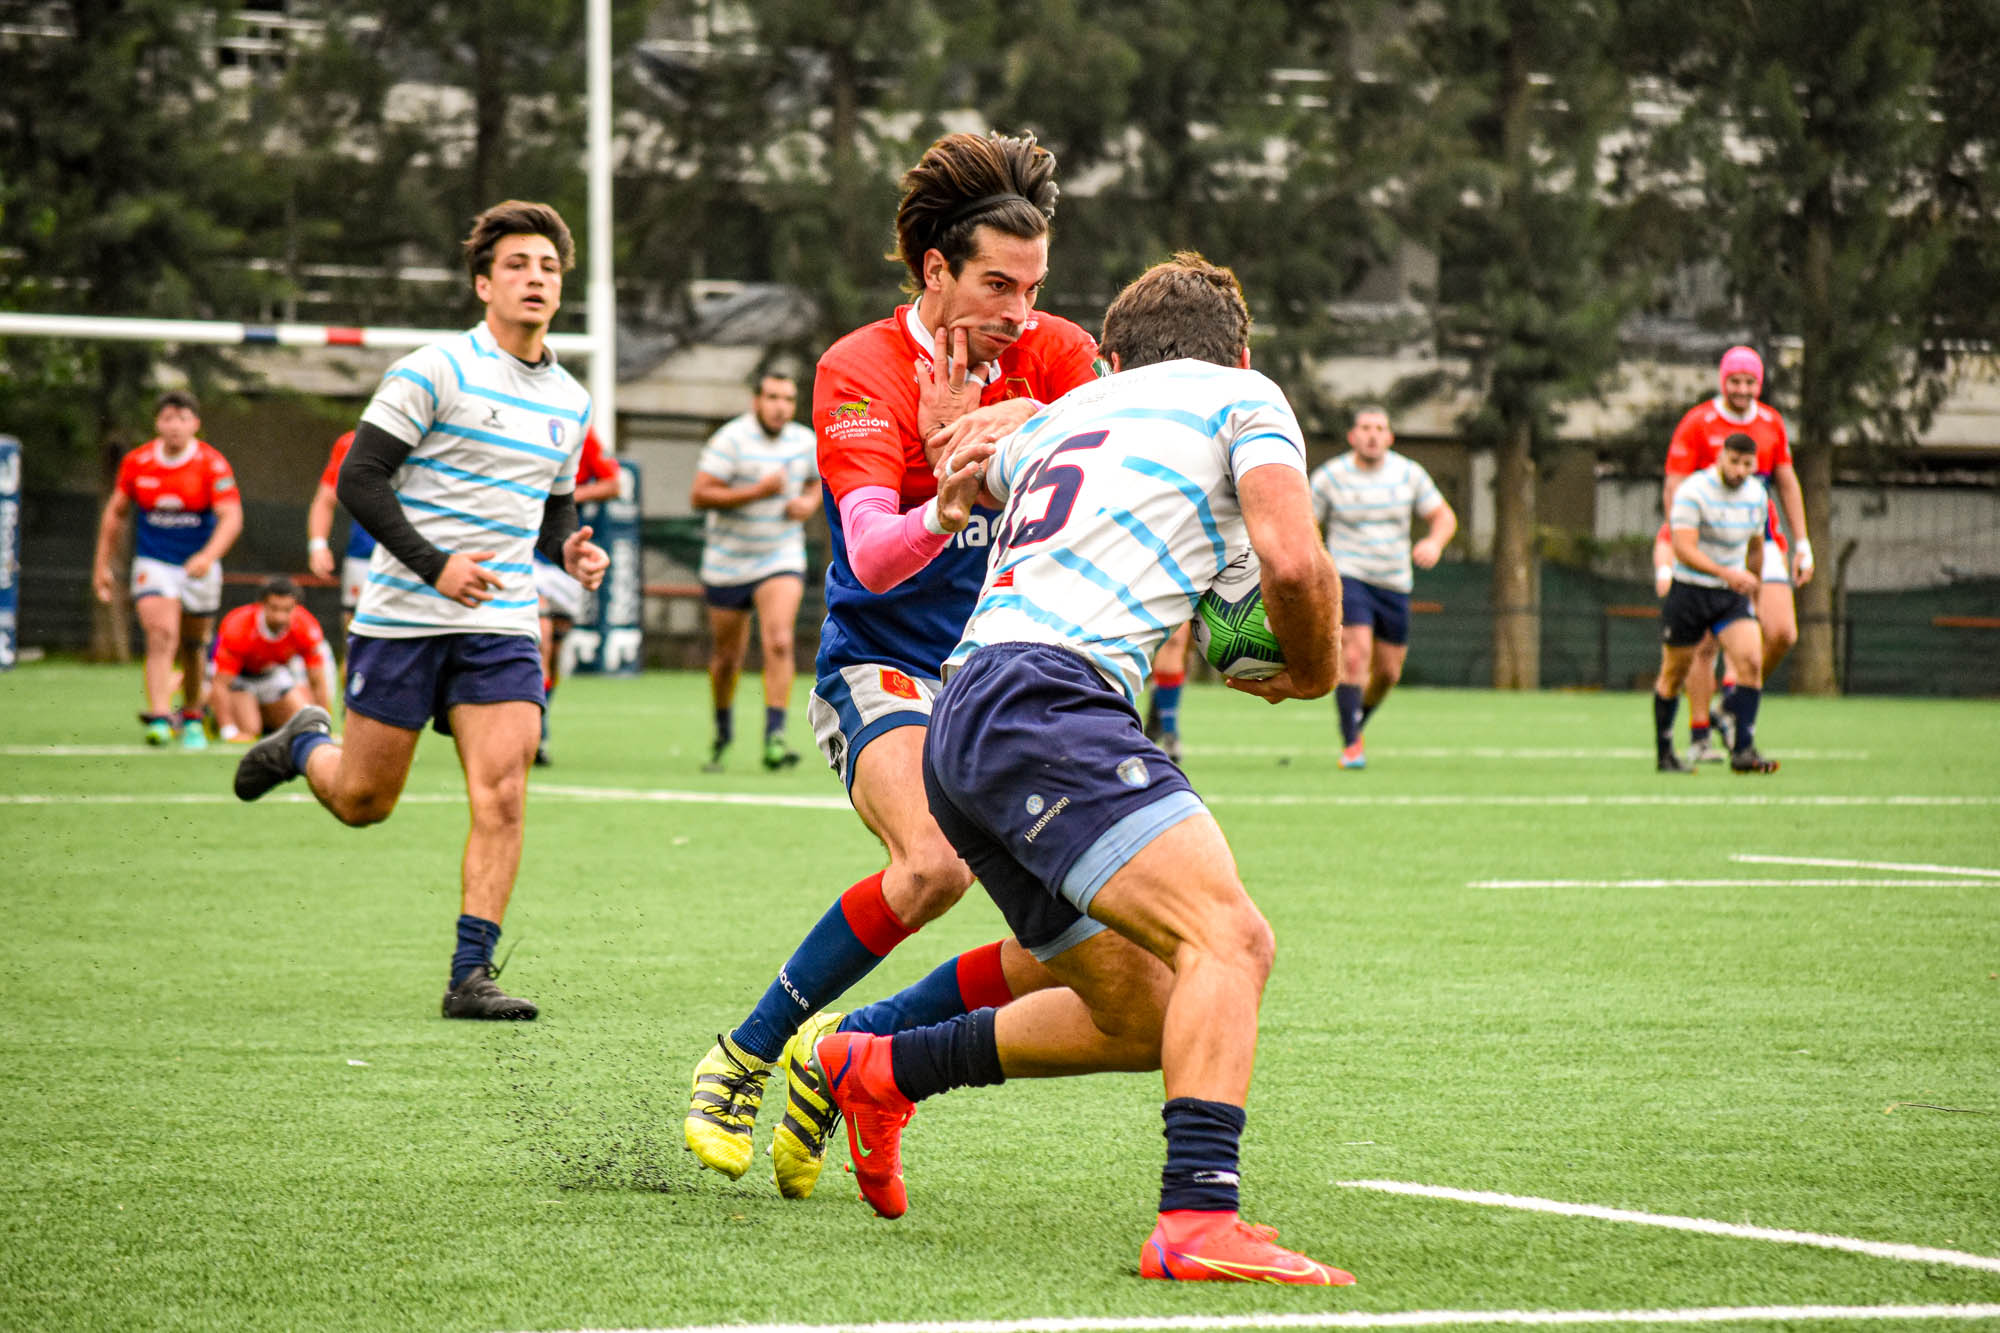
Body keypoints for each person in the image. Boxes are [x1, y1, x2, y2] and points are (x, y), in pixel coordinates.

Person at [809, 252, 1352, 1285]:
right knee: (1230, 938)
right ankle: (1197, 1219)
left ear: (1107, 359)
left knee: (1144, 1009)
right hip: (1047, 702)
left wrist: (960, 425)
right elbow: (1290, 562)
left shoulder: (1064, 416)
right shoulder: (1244, 397)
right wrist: (1314, 668)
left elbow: (966, 465)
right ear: (1238, 353)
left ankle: (880, 1066)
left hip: (961, 711)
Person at [682, 130, 1100, 1191]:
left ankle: (850, 1050)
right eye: (997, 286)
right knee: (931, 865)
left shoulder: (1057, 354)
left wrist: (1010, 427)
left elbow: (1113, 468)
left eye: (1034, 288)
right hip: (887, 659)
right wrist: (952, 492)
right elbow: (869, 555)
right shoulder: (859, 368)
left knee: (1083, 941)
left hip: (1011, 673)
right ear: (935, 271)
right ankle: (743, 1055)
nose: (1021, 313)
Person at [230, 199, 608, 1021]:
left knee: (503, 793)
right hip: (404, 615)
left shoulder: (571, 401)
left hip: (502, 622)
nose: (536, 278)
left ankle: (471, 974)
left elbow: (553, 510)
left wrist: (571, 549)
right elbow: (359, 478)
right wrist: (435, 565)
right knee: (363, 801)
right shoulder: (434, 370)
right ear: (483, 283)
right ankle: (305, 744)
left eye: (548, 267)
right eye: (517, 264)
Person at [1664, 345, 1812, 760]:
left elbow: (1787, 482)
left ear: (1759, 384)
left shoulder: (1771, 423)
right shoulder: (1699, 422)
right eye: (1735, 380)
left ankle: (1730, 705)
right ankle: (1700, 734)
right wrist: (1680, 539)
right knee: (1703, 646)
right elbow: (1675, 484)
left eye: (1750, 381)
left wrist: (1802, 544)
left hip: (1759, 541)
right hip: (1709, 547)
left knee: (1781, 632)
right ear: (1722, 381)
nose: (1742, 389)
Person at [92, 390, 244, 750]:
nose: (175, 425)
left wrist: (208, 556)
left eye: (182, 418)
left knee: (193, 645)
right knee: (161, 634)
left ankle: (191, 715)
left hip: (198, 567)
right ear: (157, 423)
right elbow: (116, 513)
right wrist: (102, 565)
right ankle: (160, 717)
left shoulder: (212, 464)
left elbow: (232, 517)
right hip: (154, 562)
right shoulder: (138, 462)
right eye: (168, 418)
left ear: (195, 424)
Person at [1308, 406, 1455, 770]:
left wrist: (1434, 542)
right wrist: (1316, 562)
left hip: (1394, 582)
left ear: (1389, 437)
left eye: (1379, 428)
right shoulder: (1331, 476)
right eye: (1365, 428)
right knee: (1355, 655)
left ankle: (1356, 719)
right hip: (1350, 576)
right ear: (1352, 436)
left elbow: (1443, 517)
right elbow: (1306, 522)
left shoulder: (1408, 473)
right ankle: (1351, 745)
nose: (1372, 435)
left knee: (1389, 673)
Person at [689, 372, 819, 773]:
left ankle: (775, 737)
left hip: (779, 555)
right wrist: (756, 492)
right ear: (756, 402)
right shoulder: (730, 440)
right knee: (728, 657)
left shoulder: (804, 441)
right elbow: (700, 494)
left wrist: (808, 503)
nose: (780, 407)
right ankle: (722, 732)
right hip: (728, 562)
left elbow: (819, 482)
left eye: (788, 399)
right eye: (773, 397)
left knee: (779, 640)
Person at [1653, 432, 1778, 774]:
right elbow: (1683, 549)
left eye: (1747, 464)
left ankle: (1743, 750)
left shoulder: (1757, 495)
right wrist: (1726, 572)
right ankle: (1665, 753)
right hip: (1690, 591)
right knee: (1674, 673)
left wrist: (1755, 591)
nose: (1739, 470)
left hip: (1730, 594)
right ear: (1721, 457)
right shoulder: (1694, 491)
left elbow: (1755, 549)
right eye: (1734, 461)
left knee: (1751, 660)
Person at [533, 426, 622, 766]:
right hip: (526, 553)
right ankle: (535, 732)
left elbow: (613, 484)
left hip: (565, 552)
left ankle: (541, 718)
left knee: (555, 649)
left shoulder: (578, 432)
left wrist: (567, 496)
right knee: (539, 638)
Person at [209, 576, 336, 735]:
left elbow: (317, 680)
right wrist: (227, 728)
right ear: (262, 605)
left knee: (302, 720)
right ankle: (211, 710)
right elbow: (220, 683)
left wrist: (323, 725)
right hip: (241, 678)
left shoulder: (305, 626)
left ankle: (263, 715)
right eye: (274, 608)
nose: (280, 617)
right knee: (250, 729)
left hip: (272, 675)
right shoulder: (239, 625)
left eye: (287, 610)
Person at [306, 429, 372, 633]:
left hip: (419, 554)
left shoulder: (433, 437)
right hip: (364, 553)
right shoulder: (354, 441)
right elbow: (325, 500)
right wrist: (318, 545)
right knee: (356, 628)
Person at [1141, 625, 1192, 762]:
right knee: (1154, 716)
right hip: (1159, 675)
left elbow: (1177, 642)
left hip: (1172, 674)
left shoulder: (1182, 623)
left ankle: (1172, 751)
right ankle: (1149, 746)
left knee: (1168, 715)